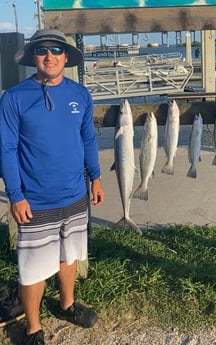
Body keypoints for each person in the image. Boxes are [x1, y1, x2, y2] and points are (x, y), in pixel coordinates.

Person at [0, 29, 105, 345]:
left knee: (68, 256)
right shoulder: (13, 98)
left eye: (56, 50)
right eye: (42, 50)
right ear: (34, 56)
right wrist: (16, 196)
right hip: (35, 200)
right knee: (32, 271)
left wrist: (96, 177)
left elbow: (87, 138)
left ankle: (67, 305)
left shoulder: (80, 94)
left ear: (65, 57)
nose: (49, 56)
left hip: (74, 196)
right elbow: (6, 148)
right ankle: (33, 328)